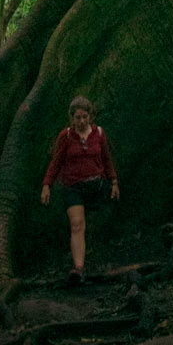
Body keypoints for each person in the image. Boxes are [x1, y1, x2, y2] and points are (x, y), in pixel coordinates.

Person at [40, 93, 119, 284]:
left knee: (93, 223)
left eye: (85, 117)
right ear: (72, 118)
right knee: (77, 224)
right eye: (78, 117)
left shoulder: (99, 134)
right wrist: (46, 185)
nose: (82, 121)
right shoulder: (66, 136)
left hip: (95, 187)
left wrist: (114, 181)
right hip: (72, 188)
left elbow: (107, 159)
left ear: (90, 116)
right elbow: (56, 162)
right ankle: (79, 269)